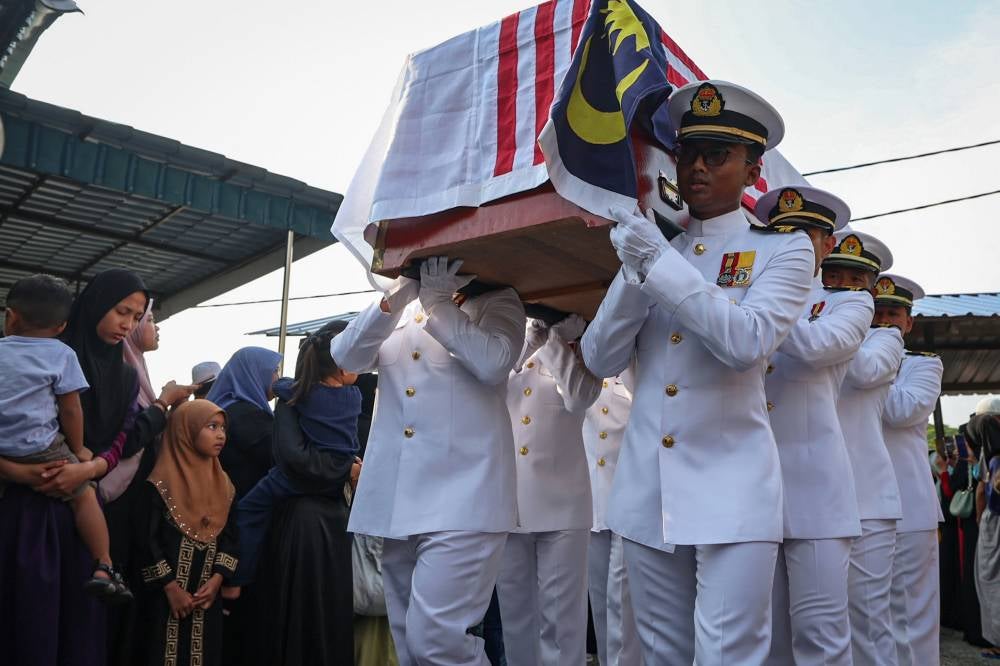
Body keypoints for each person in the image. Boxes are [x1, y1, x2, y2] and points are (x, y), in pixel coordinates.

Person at [581, 80, 814, 663]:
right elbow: (598, 359)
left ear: (754, 170)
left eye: (718, 156)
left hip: (733, 492)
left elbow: (747, 342)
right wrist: (637, 271)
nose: (698, 168)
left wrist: (657, 264)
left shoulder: (783, 251)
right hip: (646, 492)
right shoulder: (658, 249)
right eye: (687, 154)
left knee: (728, 655)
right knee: (662, 654)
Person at [332, 256, 526, 664]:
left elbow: (493, 364)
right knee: (408, 643)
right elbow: (347, 357)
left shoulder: (498, 300)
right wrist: (397, 296)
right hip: (398, 500)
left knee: (436, 640)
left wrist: (440, 304)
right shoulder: (400, 312)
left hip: (465, 497)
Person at [0, 267, 193, 666]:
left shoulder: (123, 376)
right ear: (94, 306)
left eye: (137, 317)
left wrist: (85, 470)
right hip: (20, 513)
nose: (128, 324)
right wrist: (18, 472)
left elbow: (123, 439)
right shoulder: (53, 354)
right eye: (121, 311)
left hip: (81, 518)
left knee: (75, 628)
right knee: (24, 623)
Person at [753, 188, 870, 665]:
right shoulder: (749, 291)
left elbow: (822, 347)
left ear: (827, 245)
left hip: (816, 494)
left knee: (820, 638)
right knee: (768, 639)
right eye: (782, 234)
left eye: (806, 235)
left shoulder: (850, 303)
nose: (794, 243)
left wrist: (754, 316)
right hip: (753, 490)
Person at [0, 274, 131, 601]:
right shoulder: (62, 354)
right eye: (123, 311)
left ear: (10, 317)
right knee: (83, 495)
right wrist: (80, 450)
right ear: (61, 327)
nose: (129, 324)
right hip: (43, 450)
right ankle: (105, 563)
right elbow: (71, 410)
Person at [496, 315, 600, 665]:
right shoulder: (506, 338)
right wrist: (527, 340)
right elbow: (486, 381)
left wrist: (553, 342)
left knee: (562, 626)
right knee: (516, 621)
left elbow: (581, 397)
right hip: (509, 504)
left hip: (563, 505)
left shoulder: (575, 343)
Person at [823, 231, 904, 666]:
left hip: (867, 501)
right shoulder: (809, 321)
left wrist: (836, 328)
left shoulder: (884, 339)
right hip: (817, 495)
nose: (840, 286)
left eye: (854, 280)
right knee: (822, 625)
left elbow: (864, 372)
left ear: (869, 290)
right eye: (831, 275)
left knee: (869, 622)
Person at [233, 329, 362, 588]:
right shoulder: (355, 397)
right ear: (342, 368)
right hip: (336, 492)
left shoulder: (295, 397)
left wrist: (289, 385)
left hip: (294, 489)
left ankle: (237, 578)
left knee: (248, 509)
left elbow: (292, 456)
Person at [134, 400, 239, 666]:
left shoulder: (225, 485)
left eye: (223, 428)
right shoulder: (158, 483)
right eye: (211, 426)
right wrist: (170, 586)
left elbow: (231, 537)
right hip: (163, 600)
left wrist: (217, 580)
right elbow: (146, 541)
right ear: (185, 431)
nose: (220, 435)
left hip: (207, 599)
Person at [874, 274, 945, 665]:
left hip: (909, 506)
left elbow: (903, 411)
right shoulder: (846, 357)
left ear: (909, 322)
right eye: (878, 313)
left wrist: (870, 365)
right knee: (868, 617)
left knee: (911, 617)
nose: (884, 322)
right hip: (861, 503)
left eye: (893, 314)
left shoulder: (924, 365)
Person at [583, 371, 642, 666]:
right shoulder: (593, 363)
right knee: (602, 605)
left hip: (631, 499)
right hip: (594, 501)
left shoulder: (635, 370)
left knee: (622, 604)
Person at [206, 347, 282, 499]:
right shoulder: (246, 415)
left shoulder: (227, 407)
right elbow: (280, 456)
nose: (278, 377)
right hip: (244, 509)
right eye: (275, 370)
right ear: (255, 373)